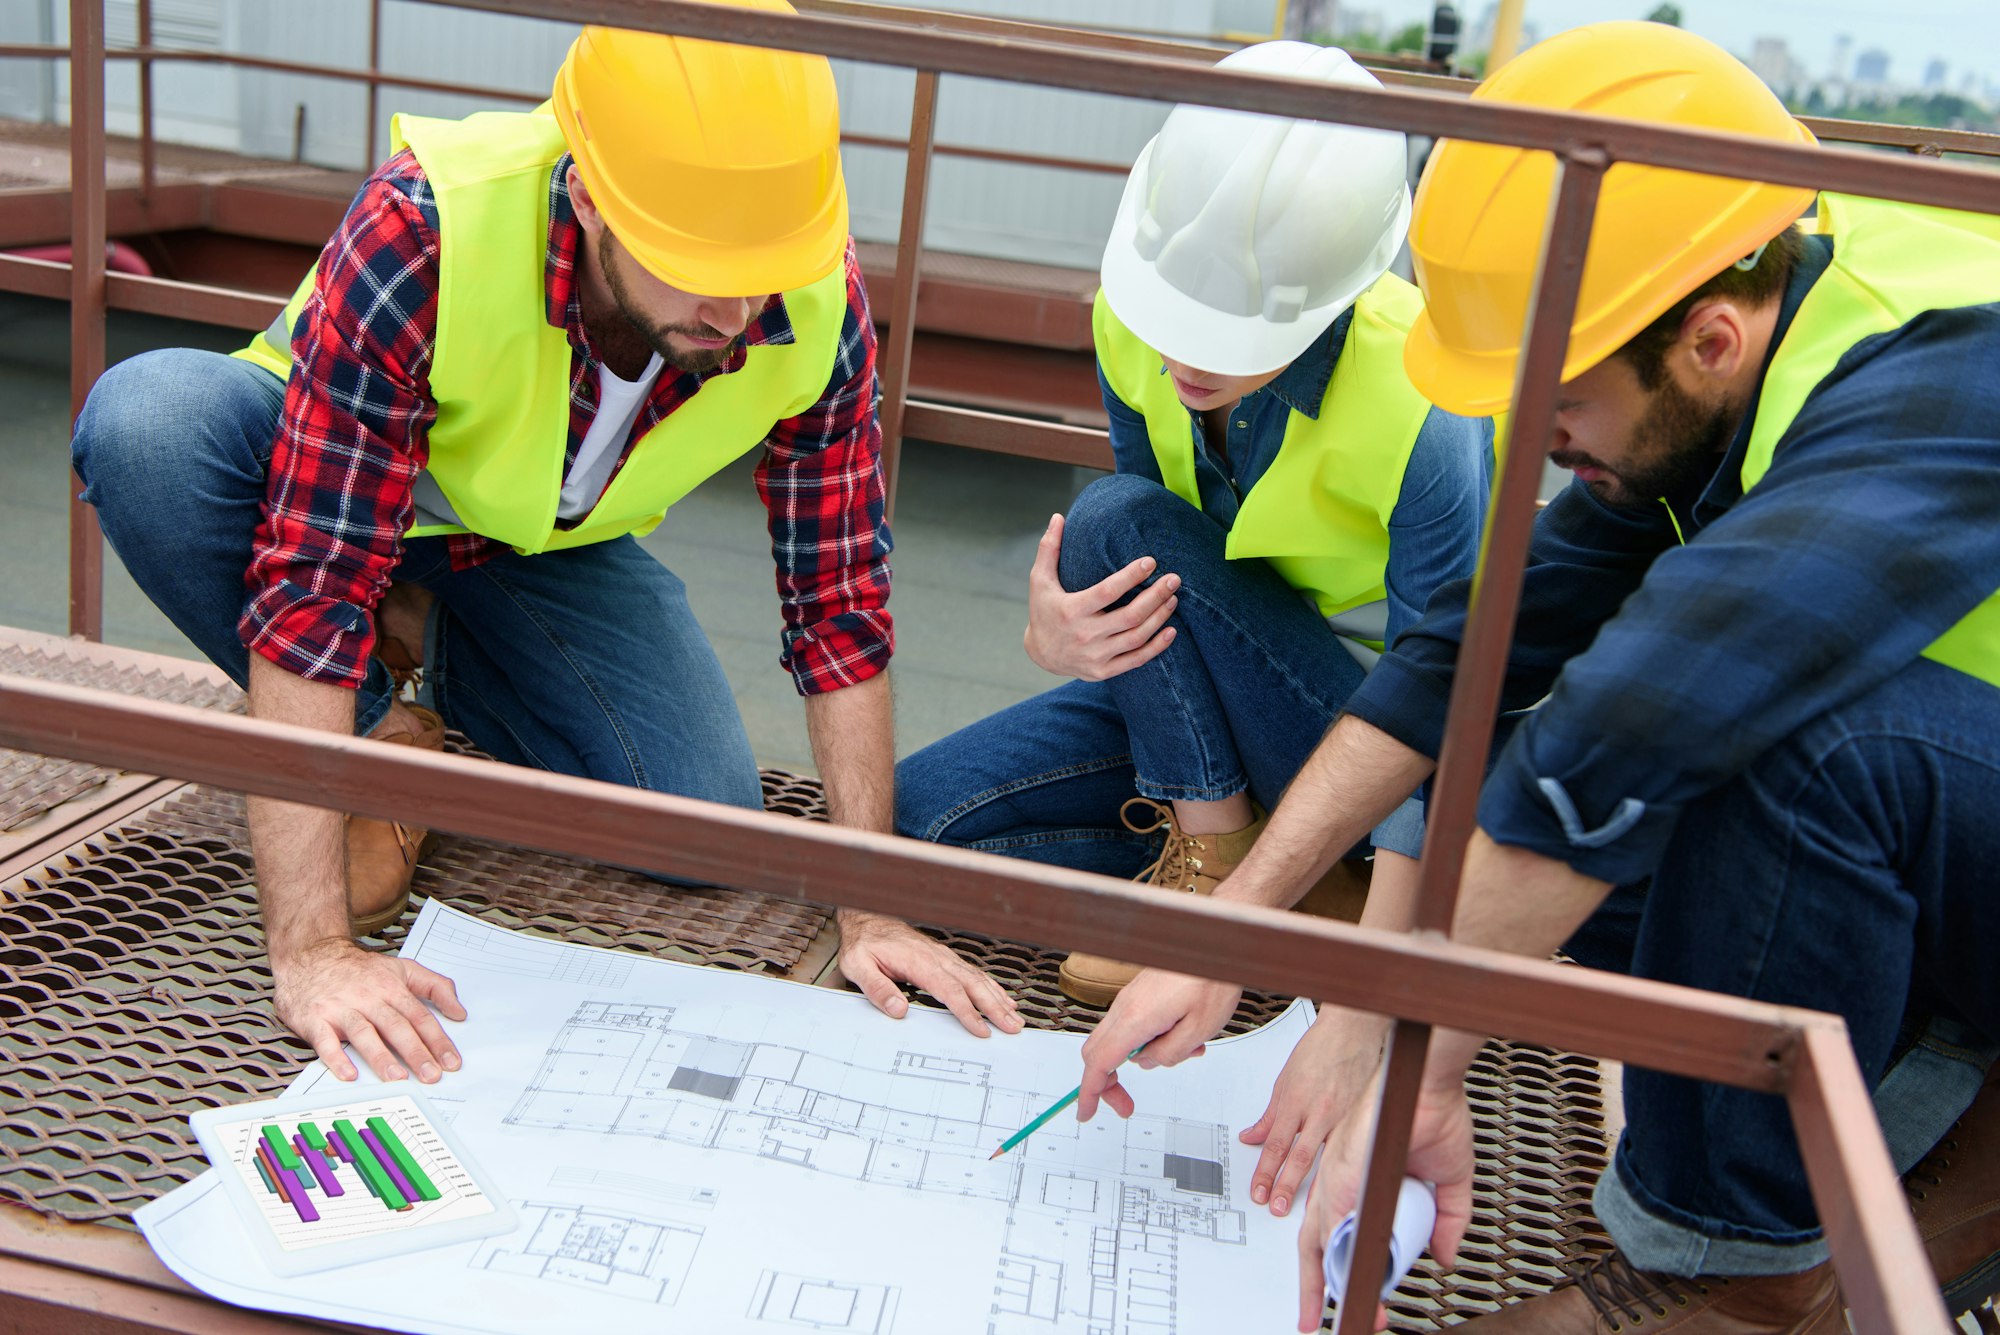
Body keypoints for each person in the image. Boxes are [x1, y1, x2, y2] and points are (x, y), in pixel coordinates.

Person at [1071, 21, 2000, 1332]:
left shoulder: (1946, 371)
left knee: (1797, 749)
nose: (1541, 442)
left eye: (1555, 403)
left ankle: (1723, 1280)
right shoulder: (1715, 340)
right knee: (1603, 864)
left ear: (1711, 343)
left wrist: (1398, 1054)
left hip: (1946, 812)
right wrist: (1243, 931)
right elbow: (1469, 647)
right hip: (1961, 832)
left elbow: (1619, 737)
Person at [68, 7, 1021, 1087]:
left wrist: (871, 903)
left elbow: (839, 597)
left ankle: (425, 638)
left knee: (705, 832)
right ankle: (381, 730)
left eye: (758, 264)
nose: (735, 305)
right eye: (692, 262)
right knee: (147, 426)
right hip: (304, 488)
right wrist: (316, 952)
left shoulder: (802, 285)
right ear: (587, 193)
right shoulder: (431, 223)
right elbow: (309, 585)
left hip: (528, 551)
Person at [895, 41, 1491, 1015]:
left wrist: (1375, 980)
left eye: (1231, 334)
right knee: (912, 819)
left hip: (1355, 743)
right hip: (1210, 705)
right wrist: (1062, 637)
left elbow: (1438, 698)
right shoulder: (1131, 319)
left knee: (1114, 515)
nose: (1185, 354)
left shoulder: (1425, 403)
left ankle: (1231, 868)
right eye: (1181, 314)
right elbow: (1155, 589)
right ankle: (1243, 855)